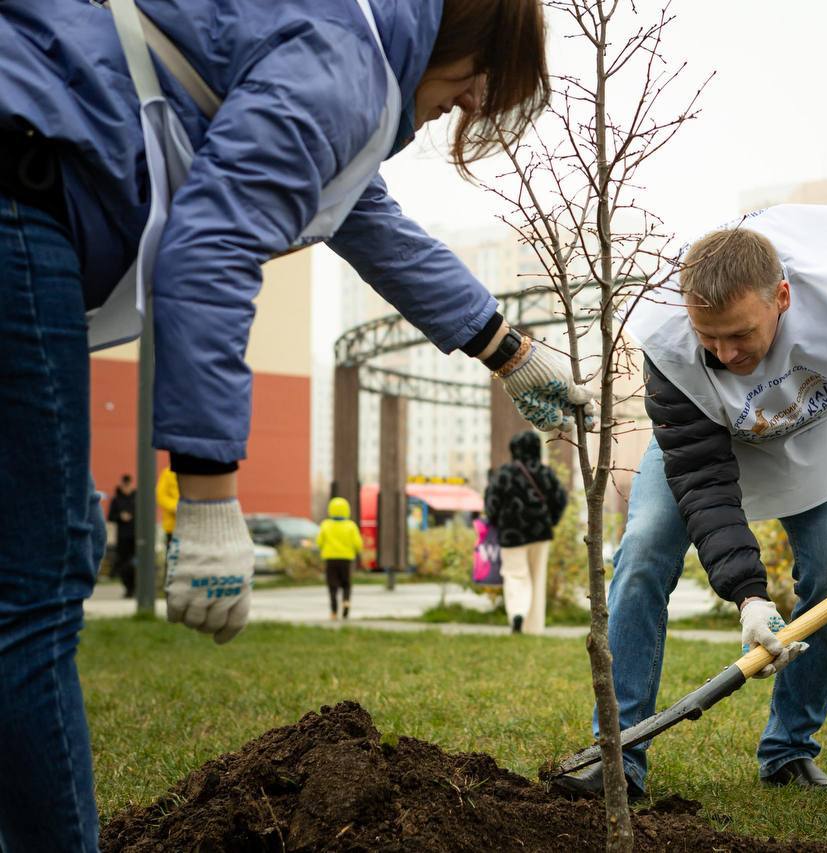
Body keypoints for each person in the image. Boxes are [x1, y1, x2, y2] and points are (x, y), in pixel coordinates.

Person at [0, 2, 593, 849]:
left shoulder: (332, 37)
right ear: (463, 38)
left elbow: (364, 218)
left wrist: (506, 348)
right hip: (21, 191)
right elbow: (206, 249)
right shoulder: (346, 63)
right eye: (470, 93)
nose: (453, 115)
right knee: (36, 585)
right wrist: (206, 501)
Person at [553, 204, 827, 800]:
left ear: (782, 297)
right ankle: (620, 754)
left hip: (820, 442)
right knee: (644, 549)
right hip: (709, 443)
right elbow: (703, 479)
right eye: (709, 337)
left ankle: (789, 751)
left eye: (740, 335)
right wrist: (749, 597)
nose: (726, 353)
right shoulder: (670, 353)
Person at [484, 431, 568, 634]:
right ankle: (534, 627)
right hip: (541, 533)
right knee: (537, 578)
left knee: (515, 575)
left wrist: (496, 523)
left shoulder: (504, 474)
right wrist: (551, 521)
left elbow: (491, 502)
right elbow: (561, 498)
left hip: (511, 535)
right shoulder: (545, 473)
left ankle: (517, 614)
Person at [317, 497, 364, 621]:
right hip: (346, 559)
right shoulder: (351, 526)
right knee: (346, 583)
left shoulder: (326, 525)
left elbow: (319, 542)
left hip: (330, 558)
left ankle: (333, 611)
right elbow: (358, 543)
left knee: (332, 585)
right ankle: (346, 601)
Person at [107, 474, 138, 597]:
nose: (127, 487)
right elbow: (110, 517)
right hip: (122, 538)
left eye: (128, 484)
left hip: (137, 537)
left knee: (134, 564)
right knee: (123, 564)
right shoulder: (116, 500)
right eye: (124, 485)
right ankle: (128, 588)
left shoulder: (138, 498)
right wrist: (120, 516)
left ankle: (135, 588)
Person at [156, 466, 180, 552]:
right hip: (172, 526)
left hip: (193, 527)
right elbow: (160, 495)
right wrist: (174, 507)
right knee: (173, 557)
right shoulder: (168, 473)